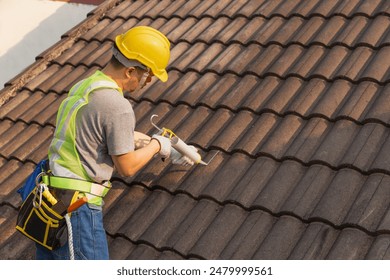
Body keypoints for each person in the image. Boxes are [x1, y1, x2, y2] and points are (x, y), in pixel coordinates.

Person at [35, 26, 193, 260]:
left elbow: (89, 132)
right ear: (130, 71)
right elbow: (127, 168)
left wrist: (137, 138)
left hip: (50, 200)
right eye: (147, 75)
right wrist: (157, 145)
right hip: (77, 209)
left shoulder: (85, 85)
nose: (147, 82)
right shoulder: (118, 106)